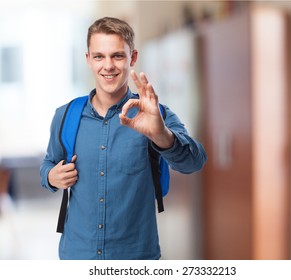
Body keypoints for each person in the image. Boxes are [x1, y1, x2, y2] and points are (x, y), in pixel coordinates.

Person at [40, 17, 207, 260]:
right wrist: (51, 177)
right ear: (88, 59)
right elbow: (47, 165)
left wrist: (162, 135)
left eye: (117, 56)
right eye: (99, 56)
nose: (108, 65)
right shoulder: (65, 116)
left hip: (136, 258)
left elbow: (195, 161)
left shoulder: (155, 115)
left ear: (133, 58)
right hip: (76, 256)